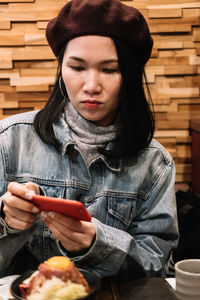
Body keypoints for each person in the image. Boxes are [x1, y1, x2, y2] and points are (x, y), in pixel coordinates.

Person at [0, 0, 179, 280]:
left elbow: (157, 269)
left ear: (129, 77)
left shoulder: (155, 165)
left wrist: (99, 243)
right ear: (62, 71)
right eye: (77, 67)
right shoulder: (9, 141)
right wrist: (6, 221)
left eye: (109, 70)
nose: (92, 86)